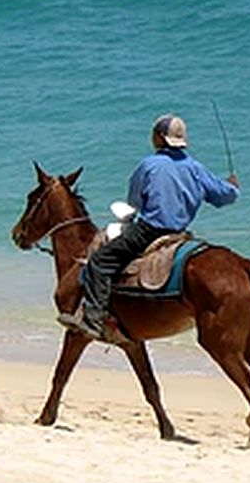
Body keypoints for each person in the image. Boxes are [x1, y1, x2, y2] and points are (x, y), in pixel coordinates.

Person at [60, 113, 239, 340]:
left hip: (148, 232)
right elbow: (225, 197)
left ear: (160, 138)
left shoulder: (148, 165)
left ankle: (93, 319)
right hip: (180, 235)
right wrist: (232, 185)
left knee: (99, 262)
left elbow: (134, 202)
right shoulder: (196, 168)